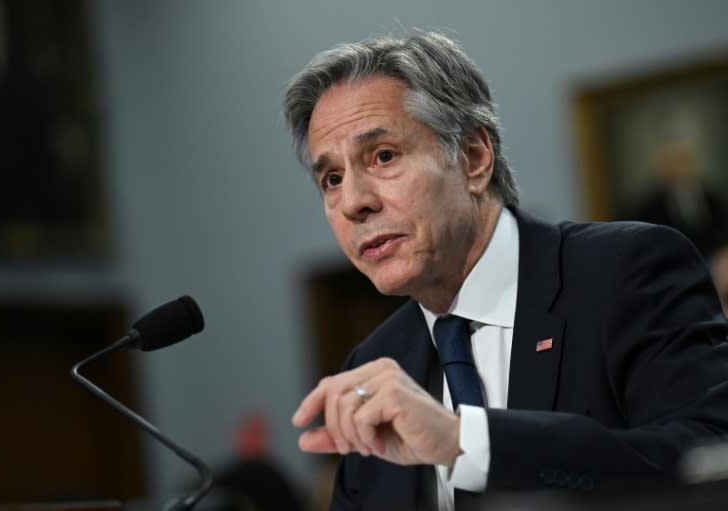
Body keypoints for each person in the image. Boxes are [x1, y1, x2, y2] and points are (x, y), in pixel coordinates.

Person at [282, 31, 728, 511]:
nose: (353, 203)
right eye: (331, 179)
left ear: (474, 158)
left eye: (384, 156)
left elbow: (705, 459)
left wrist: (466, 442)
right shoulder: (373, 364)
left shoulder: (626, 271)